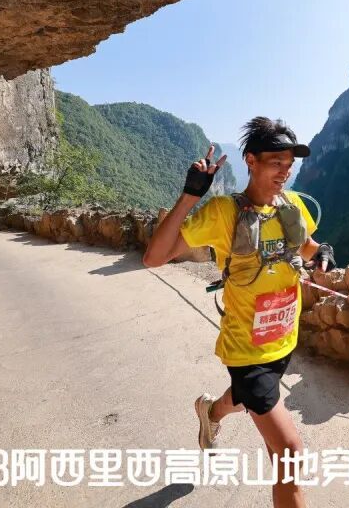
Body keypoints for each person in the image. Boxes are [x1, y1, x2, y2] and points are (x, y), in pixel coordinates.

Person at [143, 117, 334, 508]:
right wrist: (190, 196)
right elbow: (154, 257)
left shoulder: (292, 205)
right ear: (250, 160)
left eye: (289, 164)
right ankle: (218, 412)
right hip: (246, 350)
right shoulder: (222, 212)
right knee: (289, 455)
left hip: (284, 341)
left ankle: (210, 412)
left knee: (249, 398)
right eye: (275, 162)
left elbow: (308, 247)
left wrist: (323, 252)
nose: (285, 171)